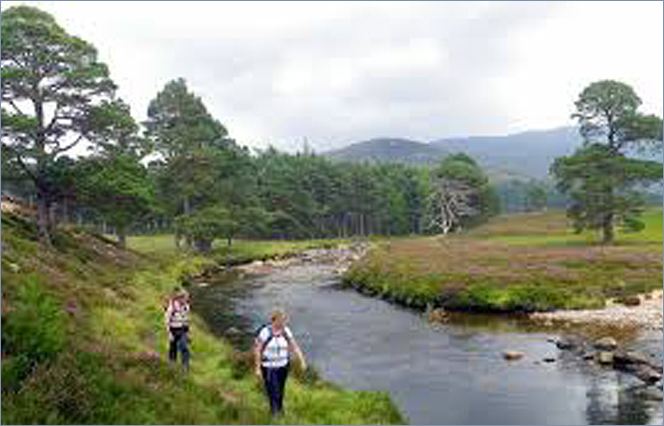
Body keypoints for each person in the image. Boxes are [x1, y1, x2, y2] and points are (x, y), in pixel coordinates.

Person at [254, 310, 307, 416]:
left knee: (281, 389)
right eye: (281, 320)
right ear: (274, 320)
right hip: (269, 367)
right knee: (274, 390)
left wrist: (302, 360)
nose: (283, 323)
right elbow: (258, 350)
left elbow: (294, 346)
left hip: (283, 366)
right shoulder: (265, 331)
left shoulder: (286, 331)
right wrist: (258, 368)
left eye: (284, 320)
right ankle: (274, 413)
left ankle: (280, 410)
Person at [164, 287, 191, 371]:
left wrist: (188, 332)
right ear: (180, 298)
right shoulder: (172, 307)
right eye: (185, 298)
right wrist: (169, 333)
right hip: (173, 329)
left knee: (184, 347)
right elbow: (167, 320)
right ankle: (172, 363)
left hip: (182, 330)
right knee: (173, 347)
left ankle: (185, 366)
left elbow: (186, 319)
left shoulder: (186, 307)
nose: (186, 300)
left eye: (187, 298)